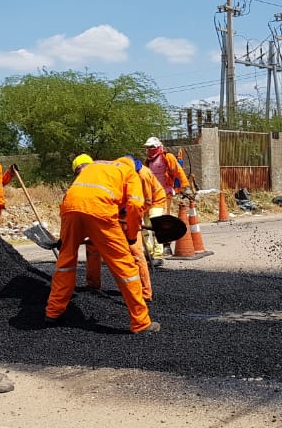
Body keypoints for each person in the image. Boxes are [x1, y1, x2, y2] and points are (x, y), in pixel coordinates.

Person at [47, 154, 159, 333]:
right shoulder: (129, 172)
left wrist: (65, 236)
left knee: (65, 262)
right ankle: (141, 322)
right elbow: (136, 206)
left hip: (70, 209)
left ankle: (53, 312)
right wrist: (130, 235)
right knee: (125, 266)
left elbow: (75, 196)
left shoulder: (94, 166)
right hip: (100, 211)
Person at [85, 155, 156, 300]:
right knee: (92, 247)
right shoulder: (112, 173)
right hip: (113, 217)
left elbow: (140, 204)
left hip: (129, 217)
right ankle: (93, 284)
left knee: (135, 253)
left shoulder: (140, 175)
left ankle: (145, 293)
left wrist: (132, 228)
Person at [142, 137, 191, 263]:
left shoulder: (167, 157)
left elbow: (178, 171)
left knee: (159, 221)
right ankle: (150, 251)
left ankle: (161, 251)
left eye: (151, 147)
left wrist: (184, 187)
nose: (149, 150)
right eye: (147, 148)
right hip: (149, 196)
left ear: (158, 147)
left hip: (164, 194)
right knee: (147, 225)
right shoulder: (147, 162)